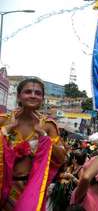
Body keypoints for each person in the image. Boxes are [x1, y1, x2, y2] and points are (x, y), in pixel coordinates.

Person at [0, 78, 66, 210]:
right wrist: (6, 130)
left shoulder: (48, 125)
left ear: (42, 98)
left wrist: (44, 136)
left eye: (37, 93)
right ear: (19, 96)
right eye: (28, 92)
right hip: (3, 185)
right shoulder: (4, 121)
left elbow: (61, 158)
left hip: (32, 189)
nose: (33, 96)